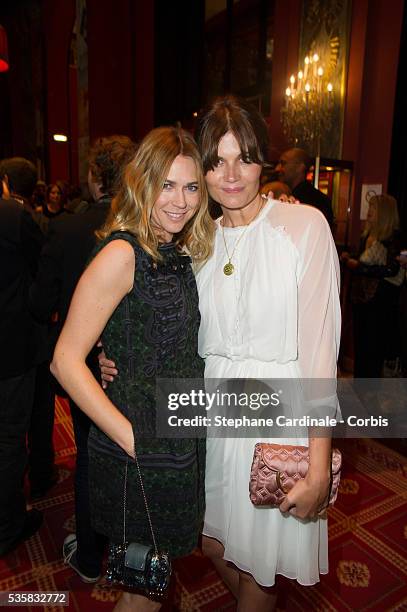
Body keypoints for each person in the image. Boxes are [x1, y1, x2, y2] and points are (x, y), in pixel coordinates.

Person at [101, 96, 341, 610]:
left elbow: (321, 353)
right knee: (206, 541)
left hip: (276, 416)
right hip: (206, 417)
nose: (231, 175)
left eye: (245, 158)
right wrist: (111, 352)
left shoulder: (304, 228)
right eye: (216, 161)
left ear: (263, 162)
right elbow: (158, 321)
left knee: (258, 571)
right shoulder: (194, 240)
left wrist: (318, 467)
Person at [51, 126, 214, 611]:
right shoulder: (123, 253)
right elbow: (64, 361)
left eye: (190, 187)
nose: (180, 201)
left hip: (176, 442)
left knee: (156, 580)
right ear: (142, 182)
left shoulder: (176, 250)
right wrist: (129, 435)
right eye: (167, 185)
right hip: (138, 450)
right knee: (141, 593)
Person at [29, 135, 136, 581]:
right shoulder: (146, 228)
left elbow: (40, 302)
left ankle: (92, 555)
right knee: (126, 452)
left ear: (96, 177)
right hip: (132, 363)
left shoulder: (69, 228)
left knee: (92, 452)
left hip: (82, 363)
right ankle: (123, 545)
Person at [0, 157, 44, 556]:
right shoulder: (13, 216)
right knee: (11, 437)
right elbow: (40, 266)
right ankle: (9, 524)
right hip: (12, 346)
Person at [341, 194, 403, 377]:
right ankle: (360, 391)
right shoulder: (367, 235)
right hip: (362, 298)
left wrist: (358, 266)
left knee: (373, 348)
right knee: (361, 346)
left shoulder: (392, 239)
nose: (369, 212)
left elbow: (391, 270)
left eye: (373, 208)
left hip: (380, 301)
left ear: (384, 213)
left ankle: (369, 394)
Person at [275, 147, 334, 226]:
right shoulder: (280, 192)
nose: (277, 168)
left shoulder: (317, 201)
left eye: (283, 163)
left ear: (300, 168)